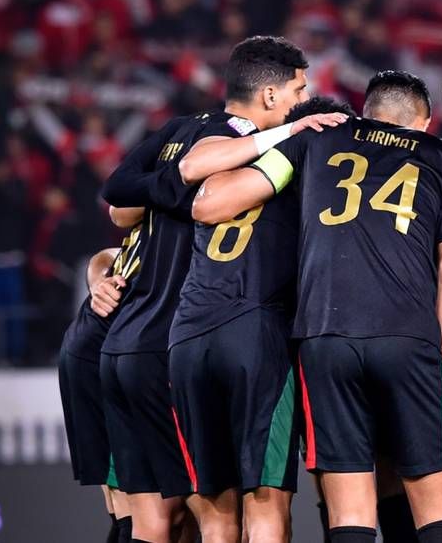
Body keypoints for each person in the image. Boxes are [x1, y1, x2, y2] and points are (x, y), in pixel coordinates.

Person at [192, 70, 442, 543]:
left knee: (349, 515)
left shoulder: (318, 138)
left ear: (366, 111)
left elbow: (213, 203)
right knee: (437, 513)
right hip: (408, 337)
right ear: (424, 122)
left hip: (325, 337)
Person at [99, 35, 330, 543]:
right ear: (270, 95)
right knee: (254, 505)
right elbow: (191, 185)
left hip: (149, 337)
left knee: (171, 516)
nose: (304, 100)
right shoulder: (270, 148)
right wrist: (292, 133)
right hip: (217, 333)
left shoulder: (179, 130)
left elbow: (119, 204)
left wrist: (160, 194)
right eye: (299, 90)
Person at [167, 96, 349, 543]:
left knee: (216, 515)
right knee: (265, 503)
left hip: (188, 334)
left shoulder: (228, 170)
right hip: (257, 332)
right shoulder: (315, 182)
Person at [59, 227, 140, 543]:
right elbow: (105, 256)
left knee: (127, 507)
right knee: (136, 507)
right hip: (105, 356)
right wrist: (97, 283)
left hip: (93, 351)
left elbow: (106, 255)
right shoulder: (175, 223)